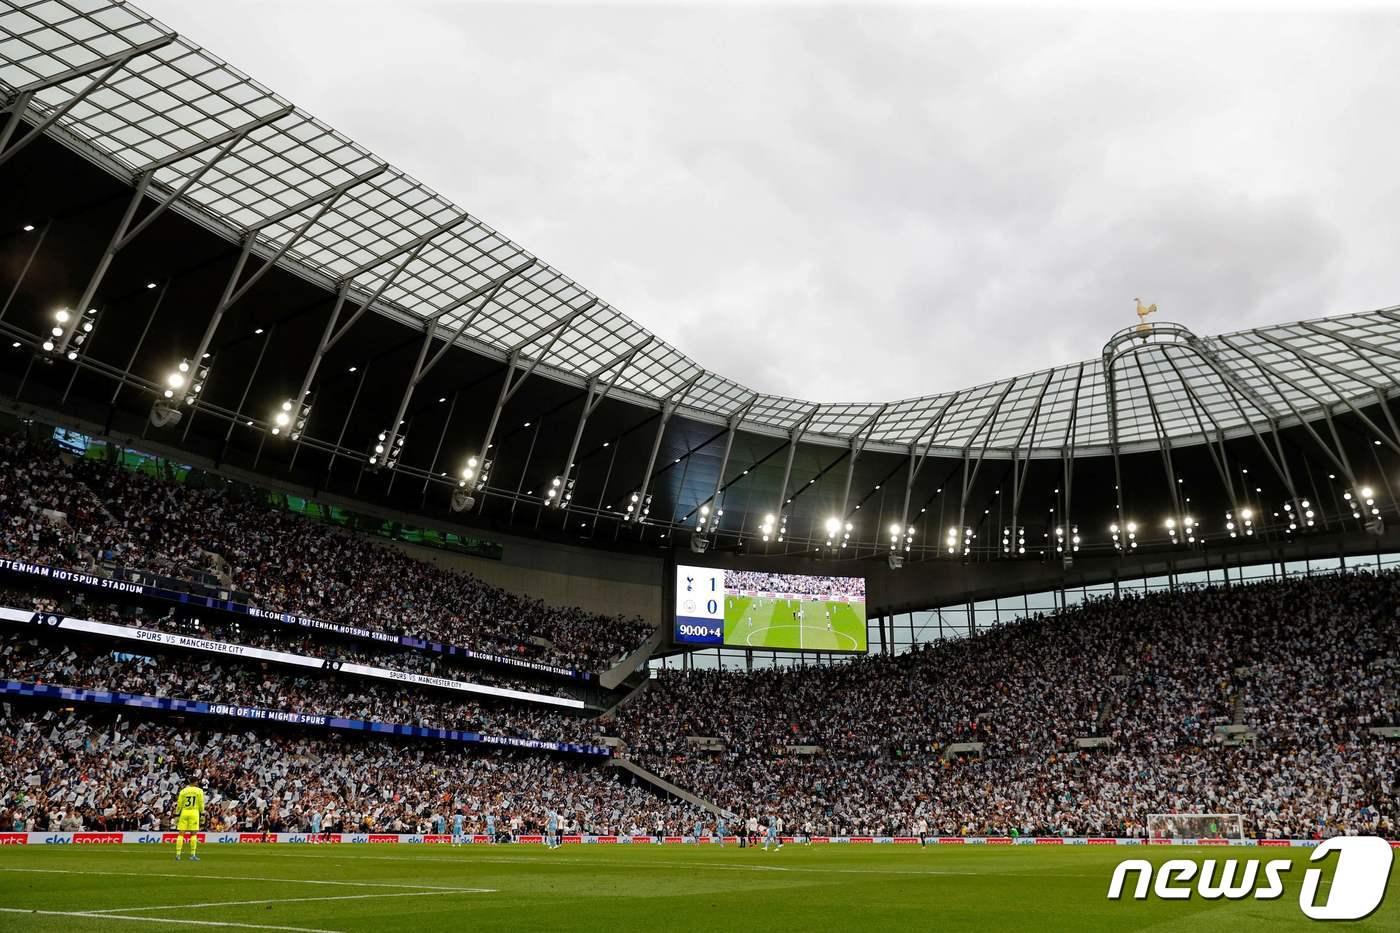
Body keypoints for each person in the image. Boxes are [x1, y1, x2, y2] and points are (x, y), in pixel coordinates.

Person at [174, 779, 204, 861]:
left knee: (181, 834)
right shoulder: (199, 791)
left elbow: (179, 803)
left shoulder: (183, 791)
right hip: (194, 812)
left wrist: (177, 813)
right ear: (195, 782)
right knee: (193, 834)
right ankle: (193, 854)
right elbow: (201, 802)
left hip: (184, 812)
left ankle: (178, 854)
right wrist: (202, 813)